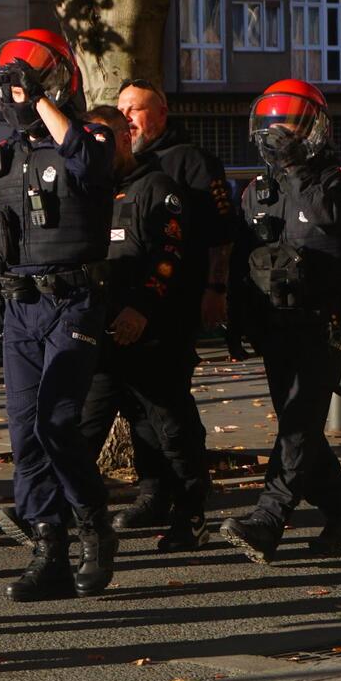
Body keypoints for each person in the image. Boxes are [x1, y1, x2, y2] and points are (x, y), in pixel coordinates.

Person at [0, 29, 118, 601]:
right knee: (26, 436)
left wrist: (43, 98)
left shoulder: (91, 137)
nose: (13, 98)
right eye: (6, 87)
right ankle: (47, 546)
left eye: (20, 86)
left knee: (57, 422)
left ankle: (94, 525)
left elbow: (90, 163)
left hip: (73, 301)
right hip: (19, 307)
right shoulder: (4, 155)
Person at [220, 79, 341, 564]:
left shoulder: (333, 182)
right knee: (298, 424)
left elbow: (329, 219)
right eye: (271, 127)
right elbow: (246, 256)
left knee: (299, 426)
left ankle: (269, 517)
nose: (277, 136)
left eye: (288, 127)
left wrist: (299, 167)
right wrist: (236, 319)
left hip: (321, 323)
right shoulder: (257, 190)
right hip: (274, 323)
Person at [76, 105, 212, 554]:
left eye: (106, 139)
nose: (98, 149)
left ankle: (190, 517)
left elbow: (168, 257)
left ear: (125, 138)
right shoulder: (89, 192)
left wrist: (140, 309)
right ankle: (63, 521)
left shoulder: (158, 189)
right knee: (80, 431)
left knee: (173, 432)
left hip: (153, 337)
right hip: (102, 339)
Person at [111, 78, 235, 533]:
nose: (128, 118)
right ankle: (153, 491)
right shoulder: (124, 166)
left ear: (162, 114)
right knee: (137, 406)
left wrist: (215, 290)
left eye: (136, 109)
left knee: (169, 405)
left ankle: (189, 496)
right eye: (121, 110)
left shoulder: (191, 162)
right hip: (129, 307)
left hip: (175, 303)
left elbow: (222, 235)